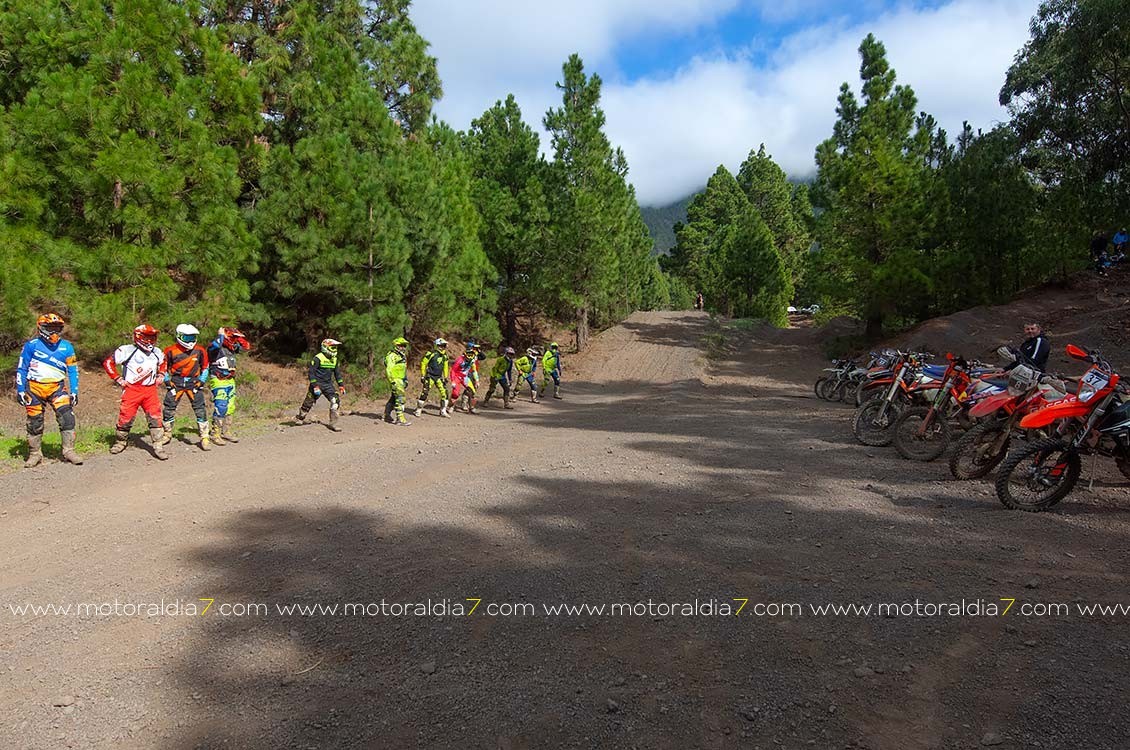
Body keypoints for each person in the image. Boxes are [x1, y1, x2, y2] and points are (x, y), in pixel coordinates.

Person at [15, 313, 82, 467]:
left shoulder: (67, 346)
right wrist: (20, 389)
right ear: (41, 328)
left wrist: (74, 391)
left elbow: (73, 370)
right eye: (50, 328)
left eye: (57, 328)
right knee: (34, 422)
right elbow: (22, 368)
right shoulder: (31, 345)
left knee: (67, 418)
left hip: (57, 387)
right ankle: (35, 454)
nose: (54, 332)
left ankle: (69, 451)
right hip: (34, 388)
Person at [103, 324, 168, 459]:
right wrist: (118, 378)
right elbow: (108, 363)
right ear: (139, 337)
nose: (150, 340)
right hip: (132, 389)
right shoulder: (126, 350)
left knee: (155, 417)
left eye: (152, 337)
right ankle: (120, 442)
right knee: (126, 417)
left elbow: (163, 362)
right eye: (147, 337)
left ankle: (158, 446)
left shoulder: (157, 352)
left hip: (150, 390)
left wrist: (161, 374)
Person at [160, 324, 211, 451]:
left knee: (200, 409)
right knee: (169, 408)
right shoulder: (170, 350)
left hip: (193, 383)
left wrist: (201, 382)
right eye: (187, 338)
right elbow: (163, 368)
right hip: (176, 382)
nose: (190, 341)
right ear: (179, 336)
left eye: (192, 337)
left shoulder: (200, 350)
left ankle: (205, 437)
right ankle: (167, 433)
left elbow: (205, 367)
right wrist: (167, 381)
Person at [207, 327, 251, 445]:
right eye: (232, 338)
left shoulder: (231, 348)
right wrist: (221, 335)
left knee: (230, 407)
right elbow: (215, 346)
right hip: (218, 379)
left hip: (231, 380)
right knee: (221, 405)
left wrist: (239, 338)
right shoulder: (214, 346)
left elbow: (246, 347)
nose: (234, 341)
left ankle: (226, 431)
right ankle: (214, 434)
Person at [296, 338, 345, 431]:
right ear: (325, 347)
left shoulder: (334, 359)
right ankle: (300, 418)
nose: (334, 349)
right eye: (332, 347)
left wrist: (341, 385)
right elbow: (311, 373)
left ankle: (333, 424)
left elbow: (337, 373)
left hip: (328, 385)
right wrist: (315, 386)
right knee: (308, 402)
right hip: (317, 384)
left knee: (335, 402)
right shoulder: (318, 358)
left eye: (335, 347)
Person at [415, 338, 451, 418]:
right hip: (430, 376)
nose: (443, 347)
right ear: (437, 346)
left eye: (444, 346)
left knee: (445, 393)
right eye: (441, 346)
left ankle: (443, 411)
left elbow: (445, 366)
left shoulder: (445, 355)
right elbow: (423, 363)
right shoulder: (430, 353)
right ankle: (418, 409)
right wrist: (423, 375)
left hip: (438, 377)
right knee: (425, 392)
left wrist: (445, 377)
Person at [383, 336, 412, 426]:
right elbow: (389, 369)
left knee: (394, 397)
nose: (403, 347)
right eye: (401, 345)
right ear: (396, 346)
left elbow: (403, 369)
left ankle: (386, 415)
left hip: (401, 379)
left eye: (404, 346)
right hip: (395, 379)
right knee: (400, 399)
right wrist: (392, 381)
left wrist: (405, 379)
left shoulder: (402, 356)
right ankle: (400, 419)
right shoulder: (392, 356)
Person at [449, 341, 481, 413]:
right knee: (455, 393)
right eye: (468, 356)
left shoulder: (472, 361)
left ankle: (471, 408)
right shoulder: (460, 360)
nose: (469, 358)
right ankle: (450, 406)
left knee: (472, 391)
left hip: (465, 377)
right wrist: (453, 380)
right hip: (457, 377)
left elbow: (474, 370)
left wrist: (477, 380)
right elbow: (453, 370)